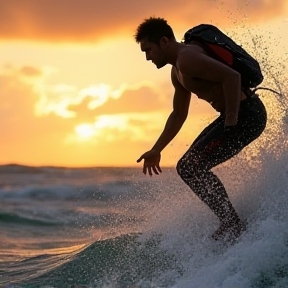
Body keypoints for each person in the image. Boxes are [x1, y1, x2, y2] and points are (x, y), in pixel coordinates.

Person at [134, 17, 267, 241]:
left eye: (148, 50)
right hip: (236, 116)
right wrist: (157, 149)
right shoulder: (177, 71)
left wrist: (231, 123)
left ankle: (232, 223)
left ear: (164, 41)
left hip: (247, 115)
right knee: (188, 166)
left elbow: (232, 77)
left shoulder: (188, 58)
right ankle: (232, 222)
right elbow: (179, 113)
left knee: (190, 167)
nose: (147, 57)